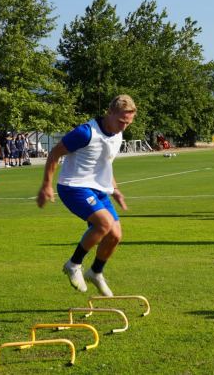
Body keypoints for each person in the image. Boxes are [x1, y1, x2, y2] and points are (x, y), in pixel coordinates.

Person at [37, 95, 137, 296]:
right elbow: (54, 153)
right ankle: (73, 264)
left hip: (99, 189)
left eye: (128, 123)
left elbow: (104, 164)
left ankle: (95, 272)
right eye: (121, 121)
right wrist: (46, 185)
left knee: (115, 235)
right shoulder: (85, 133)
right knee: (104, 223)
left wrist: (115, 190)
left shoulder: (118, 135)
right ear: (109, 113)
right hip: (73, 186)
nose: (124, 127)